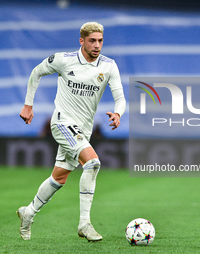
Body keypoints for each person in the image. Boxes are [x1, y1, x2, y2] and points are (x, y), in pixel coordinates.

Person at [17, 22, 126, 242]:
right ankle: (84, 224)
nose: (97, 45)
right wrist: (28, 105)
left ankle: (27, 213)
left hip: (82, 131)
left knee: (59, 177)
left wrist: (118, 113)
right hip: (62, 123)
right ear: (82, 41)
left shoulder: (109, 66)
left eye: (100, 41)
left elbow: (120, 98)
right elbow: (36, 72)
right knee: (93, 163)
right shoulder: (64, 60)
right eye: (92, 41)